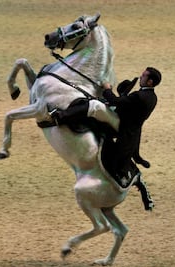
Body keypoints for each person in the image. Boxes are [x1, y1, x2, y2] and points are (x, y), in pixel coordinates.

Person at [50, 67, 161, 209]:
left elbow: (116, 102)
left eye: (144, 76)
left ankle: (59, 117)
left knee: (95, 105)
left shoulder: (141, 96)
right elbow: (128, 105)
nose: (141, 76)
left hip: (122, 125)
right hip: (127, 122)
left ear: (150, 82)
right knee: (99, 103)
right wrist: (122, 94)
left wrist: (107, 89)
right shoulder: (151, 96)